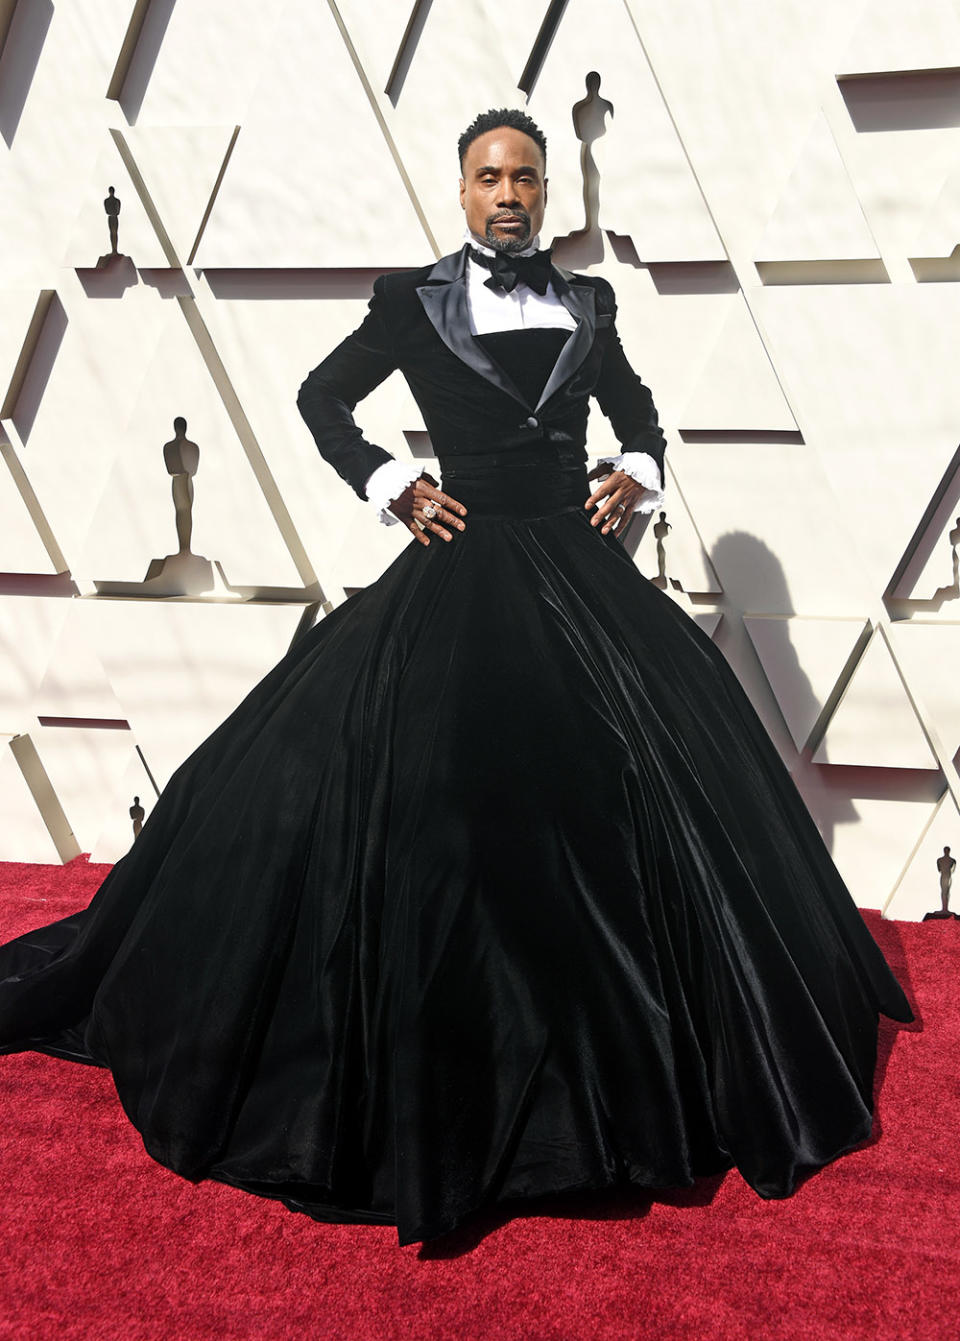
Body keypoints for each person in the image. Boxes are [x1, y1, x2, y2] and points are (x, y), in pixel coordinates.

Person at [0, 108, 913, 1248]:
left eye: (526, 177)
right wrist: (389, 482)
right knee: (439, 812)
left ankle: (629, 1093)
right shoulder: (412, 301)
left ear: (547, 190)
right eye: (490, 178)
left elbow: (635, 413)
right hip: (459, 569)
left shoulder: (591, 302)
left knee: (629, 811)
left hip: (583, 580)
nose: (510, 195)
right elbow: (322, 400)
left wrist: (632, 467)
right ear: (463, 191)